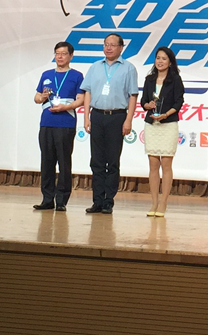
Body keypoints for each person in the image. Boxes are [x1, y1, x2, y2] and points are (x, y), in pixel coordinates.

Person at [79, 33, 139, 214]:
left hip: (117, 117)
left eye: (113, 45)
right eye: (106, 44)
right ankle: (97, 201)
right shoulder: (95, 67)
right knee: (96, 161)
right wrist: (86, 117)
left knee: (112, 161)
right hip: (97, 115)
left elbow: (133, 95)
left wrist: (128, 120)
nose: (109, 48)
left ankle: (108, 201)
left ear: (121, 48)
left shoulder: (128, 68)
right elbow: (87, 92)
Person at [33, 41, 85, 211]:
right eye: (57, 53)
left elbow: (81, 99)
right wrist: (42, 97)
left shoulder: (77, 76)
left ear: (71, 56)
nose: (60, 57)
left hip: (65, 123)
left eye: (63, 54)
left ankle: (61, 200)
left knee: (64, 162)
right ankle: (47, 199)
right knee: (46, 162)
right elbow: (36, 98)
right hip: (47, 123)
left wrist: (65, 107)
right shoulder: (47, 74)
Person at [141, 46, 184, 218]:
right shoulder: (149, 79)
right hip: (152, 124)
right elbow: (143, 101)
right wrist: (148, 105)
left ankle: (164, 203)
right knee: (153, 164)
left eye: (164, 59)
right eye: (158, 58)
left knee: (166, 164)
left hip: (168, 124)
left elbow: (179, 102)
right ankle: (154, 202)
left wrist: (166, 114)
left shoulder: (175, 79)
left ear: (170, 62)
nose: (160, 61)